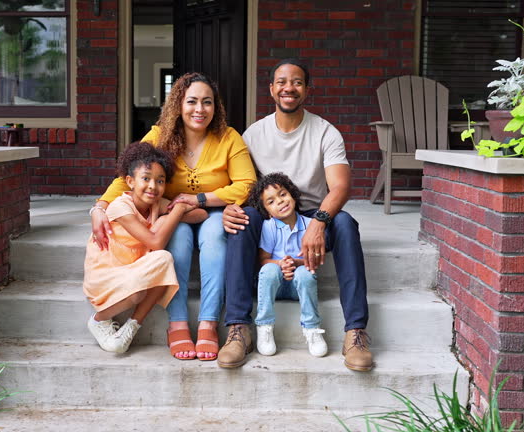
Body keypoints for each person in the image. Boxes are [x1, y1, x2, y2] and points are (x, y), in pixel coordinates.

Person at [218, 58, 374, 371]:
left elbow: (340, 188)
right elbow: (240, 185)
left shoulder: (325, 132)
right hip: (272, 214)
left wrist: (319, 222)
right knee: (243, 220)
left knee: (345, 222)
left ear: (306, 89)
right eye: (282, 82)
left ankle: (355, 332)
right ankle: (238, 328)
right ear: (272, 89)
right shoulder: (254, 134)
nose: (289, 88)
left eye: (297, 82)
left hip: (316, 213)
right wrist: (228, 209)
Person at [91, 73, 256, 361]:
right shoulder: (159, 136)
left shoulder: (228, 137)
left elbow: (246, 184)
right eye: (191, 101)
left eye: (207, 102)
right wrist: (99, 208)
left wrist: (200, 199)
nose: (199, 109)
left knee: (216, 236)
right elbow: (126, 175)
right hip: (172, 212)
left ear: (215, 107)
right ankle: (177, 323)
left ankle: (207, 323)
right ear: (178, 104)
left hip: (213, 211)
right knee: (176, 240)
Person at [83, 141, 198, 354]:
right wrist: (177, 210)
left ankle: (131, 327)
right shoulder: (120, 206)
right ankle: (99, 320)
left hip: (134, 270)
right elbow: (155, 242)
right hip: (107, 275)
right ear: (130, 181)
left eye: (160, 181)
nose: (153, 186)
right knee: (141, 288)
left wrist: (178, 207)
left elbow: (202, 215)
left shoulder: (157, 203)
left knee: (163, 262)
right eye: (146, 179)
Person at [248, 172, 327, 358]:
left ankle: (312, 328)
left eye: (282, 194)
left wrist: (296, 262)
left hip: (298, 287)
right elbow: (263, 260)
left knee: (305, 273)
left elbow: (316, 260)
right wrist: (280, 264)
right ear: (267, 210)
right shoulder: (269, 227)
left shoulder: (310, 225)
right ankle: (264, 326)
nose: (280, 202)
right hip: (275, 286)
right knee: (269, 269)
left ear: (292, 194)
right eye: (271, 201)